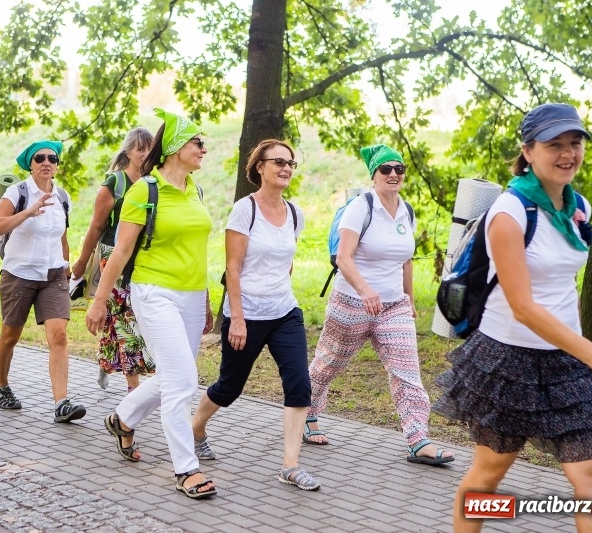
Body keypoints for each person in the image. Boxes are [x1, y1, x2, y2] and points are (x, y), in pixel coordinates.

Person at [434, 103, 592, 533]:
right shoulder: (510, 212)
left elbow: (563, 287)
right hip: (508, 360)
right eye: (554, 144)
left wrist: (581, 350)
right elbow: (523, 307)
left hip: (567, 360)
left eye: (574, 143)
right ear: (528, 150)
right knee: (488, 478)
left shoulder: (579, 208)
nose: (567, 153)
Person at [85, 108, 216, 499]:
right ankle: (186, 469)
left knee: (173, 376)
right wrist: (100, 301)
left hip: (192, 295)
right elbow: (122, 251)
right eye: (197, 142)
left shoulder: (195, 189)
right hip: (154, 292)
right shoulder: (145, 190)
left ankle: (122, 419)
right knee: (184, 382)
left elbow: (198, 250)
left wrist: (206, 300)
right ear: (176, 147)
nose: (203, 149)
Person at [304, 144, 455, 466]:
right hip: (352, 302)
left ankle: (419, 440)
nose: (393, 174)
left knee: (407, 373)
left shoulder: (407, 211)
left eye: (399, 168)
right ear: (373, 175)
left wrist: (409, 299)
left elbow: (406, 260)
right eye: (385, 169)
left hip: (393, 307)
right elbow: (343, 257)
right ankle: (307, 414)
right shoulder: (361, 207)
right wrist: (365, 291)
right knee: (328, 364)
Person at [190, 140, 320, 491]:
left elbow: (286, 262)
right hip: (246, 313)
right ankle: (195, 429)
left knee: (299, 385)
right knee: (229, 388)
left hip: (284, 311)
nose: (286, 168)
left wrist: (279, 291)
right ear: (259, 167)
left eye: (291, 162)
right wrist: (238, 318)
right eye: (278, 161)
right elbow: (232, 269)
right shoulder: (244, 210)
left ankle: (290, 465)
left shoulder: (295, 213)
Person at [0, 140, 86, 423]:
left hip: (53, 274)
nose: (46, 162)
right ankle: (2, 386)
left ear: (56, 165)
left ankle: (61, 404)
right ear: (30, 164)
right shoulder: (16, 192)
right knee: (10, 336)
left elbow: (62, 237)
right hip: (19, 274)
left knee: (59, 336)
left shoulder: (63, 196)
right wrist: (27, 212)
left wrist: (67, 270)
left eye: (52, 158)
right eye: (39, 158)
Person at [71, 127, 155, 394]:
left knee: (121, 318)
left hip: (143, 257)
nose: (145, 154)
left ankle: (106, 363)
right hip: (113, 257)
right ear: (128, 152)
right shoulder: (114, 184)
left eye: (149, 149)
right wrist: (81, 264)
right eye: (140, 149)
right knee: (125, 319)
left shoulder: (155, 182)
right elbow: (95, 228)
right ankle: (134, 388)